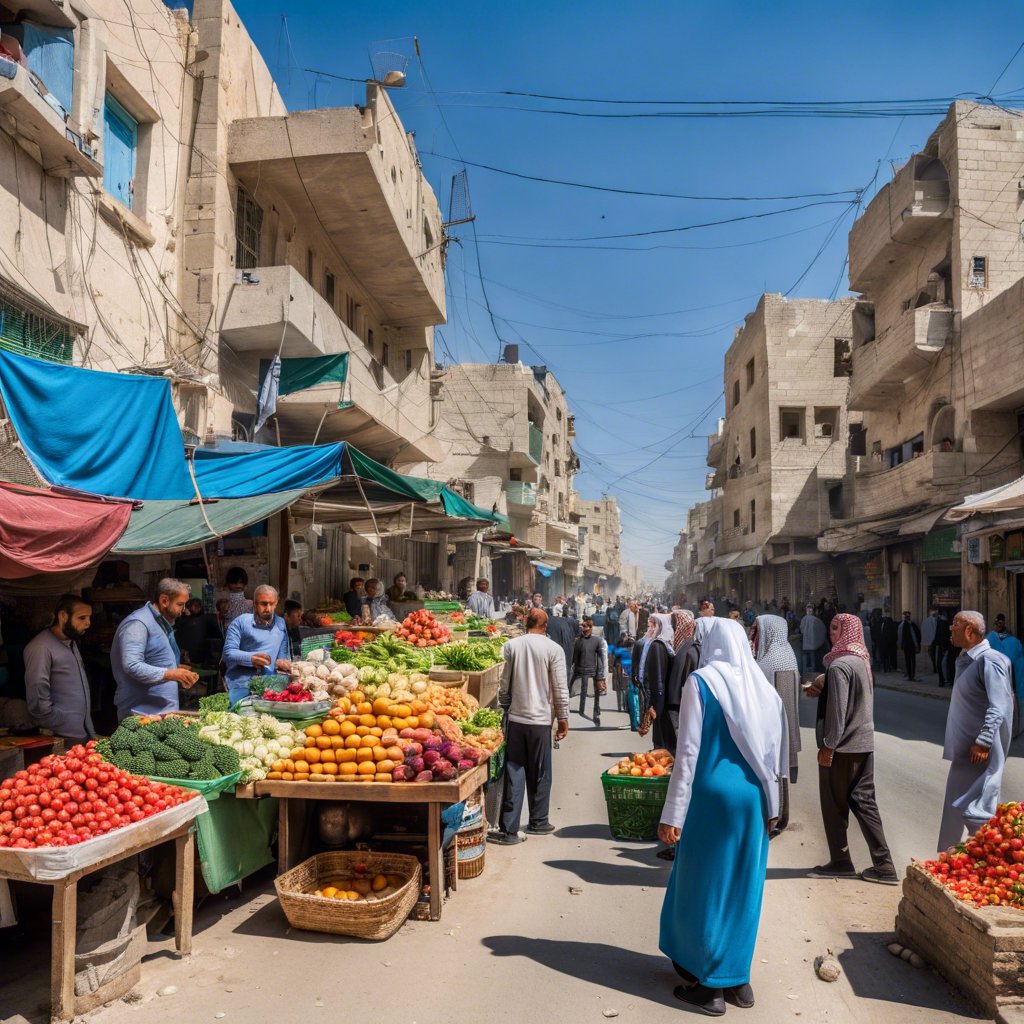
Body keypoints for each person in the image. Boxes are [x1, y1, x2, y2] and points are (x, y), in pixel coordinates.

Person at [657, 617, 786, 1015]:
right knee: (743, 888)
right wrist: (775, 806)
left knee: (703, 887)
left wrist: (672, 813)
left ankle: (709, 987)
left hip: (711, 800)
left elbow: (688, 753)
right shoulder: (764, 688)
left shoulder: (702, 682)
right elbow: (775, 754)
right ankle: (737, 979)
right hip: (753, 800)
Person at [806, 613, 898, 885]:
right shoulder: (861, 661)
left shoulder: (840, 666)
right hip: (864, 744)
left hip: (843, 748)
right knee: (864, 802)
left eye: (836, 629)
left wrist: (828, 746)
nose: (831, 633)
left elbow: (839, 711)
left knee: (834, 805)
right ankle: (885, 866)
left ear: (846, 632)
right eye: (831, 627)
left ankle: (841, 861)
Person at [491, 608, 569, 845]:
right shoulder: (554, 649)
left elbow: (503, 682)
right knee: (541, 772)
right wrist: (563, 718)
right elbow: (560, 688)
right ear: (545, 626)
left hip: (516, 719)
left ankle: (510, 830)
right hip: (541, 722)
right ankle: (538, 821)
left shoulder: (512, 646)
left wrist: (506, 704)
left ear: (526, 623)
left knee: (515, 772)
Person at [938, 611, 1014, 852]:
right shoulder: (967, 658)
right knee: (954, 806)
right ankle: (948, 858)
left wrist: (983, 741)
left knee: (979, 811)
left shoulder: (990, 660)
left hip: (980, 750)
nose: (951, 629)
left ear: (970, 631)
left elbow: (999, 704)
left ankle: (987, 858)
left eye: (955, 625)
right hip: (965, 750)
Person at [112, 579, 199, 719]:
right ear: (164, 600)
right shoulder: (137, 624)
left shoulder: (161, 622)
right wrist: (171, 673)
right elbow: (132, 665)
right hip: (141, 713)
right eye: (180, 605)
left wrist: (175, 667)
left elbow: (153, 658)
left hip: (161, 712)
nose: (185, 611)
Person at [24, 595, 95, 744]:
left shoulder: (70, 641)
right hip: (60, 736)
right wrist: (60, 720)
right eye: (82, 618)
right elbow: (38, 697)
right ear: (63, 616)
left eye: (89, 617)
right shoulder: (40, 648)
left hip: (82, 732)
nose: (88, 623)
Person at [753, 614, 801, 831]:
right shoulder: (786, 654)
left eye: (758, 630)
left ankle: (777, 816)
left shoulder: (773, 662)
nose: (755, 635)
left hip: (775, 729)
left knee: (775, 775)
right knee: (779, 775)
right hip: (782, 728)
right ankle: (780, 815)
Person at [222, 585, 292, 706]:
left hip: (271, 683)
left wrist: (283, 662)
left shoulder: (280, 623)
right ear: (254, 604)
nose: (268, 608)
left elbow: (283, 653)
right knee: (241, 719)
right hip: (242, 683)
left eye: (271, 604)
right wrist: (251, 658)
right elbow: (228, 653)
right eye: (263, 604)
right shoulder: (241, 622)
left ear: (276, 603)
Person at [636, 613, 675, 748]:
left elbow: (658, 680)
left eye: (654, 626)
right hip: (656, 695)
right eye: (649, 626)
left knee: (661, 736)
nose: (650, 629)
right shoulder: (650, 643)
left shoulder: (658, 646)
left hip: (659, 698)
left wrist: (654, 707)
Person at [572, 618, 607, 726]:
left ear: (591, 628)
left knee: (595, 695)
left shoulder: (597, 641)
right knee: (577, 692)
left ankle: (595, 715)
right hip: (579, 671)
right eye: (582, 626)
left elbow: (601, 659)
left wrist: (601, 675)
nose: (583, 628)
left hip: (593, 672)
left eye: (585, 626)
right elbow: (574, 658)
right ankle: (581, 712)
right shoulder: (578, 641)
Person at [987, 614, 1024, 713]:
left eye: (1001, 622)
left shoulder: (1011, 640)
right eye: (998, 622)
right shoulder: (991, 638)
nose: (999, 624)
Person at [799, 604, 826, 675]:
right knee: (812, 656)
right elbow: (822, 629)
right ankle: (813, 671)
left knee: (804, 656)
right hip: (813, 643)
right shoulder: (816, 620)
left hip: (805, 642)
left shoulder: (804, 619)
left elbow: (801, 629)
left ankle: (804, 671)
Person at [897, 610, 922, 682]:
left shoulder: (907, 625)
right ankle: (911, 675)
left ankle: (911, 675)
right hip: (909, 646)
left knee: (909, 660)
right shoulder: (907, 625)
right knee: (910, 660)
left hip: (908, 646)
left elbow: (915, 636)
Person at [932, 608, 952, 687]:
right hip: (943, 646)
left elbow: (941, 636)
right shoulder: (943, 622)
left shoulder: (941, 622)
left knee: (940, 663)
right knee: (941, 663)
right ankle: (944, 680)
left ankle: (942, 680)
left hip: (941, 646)